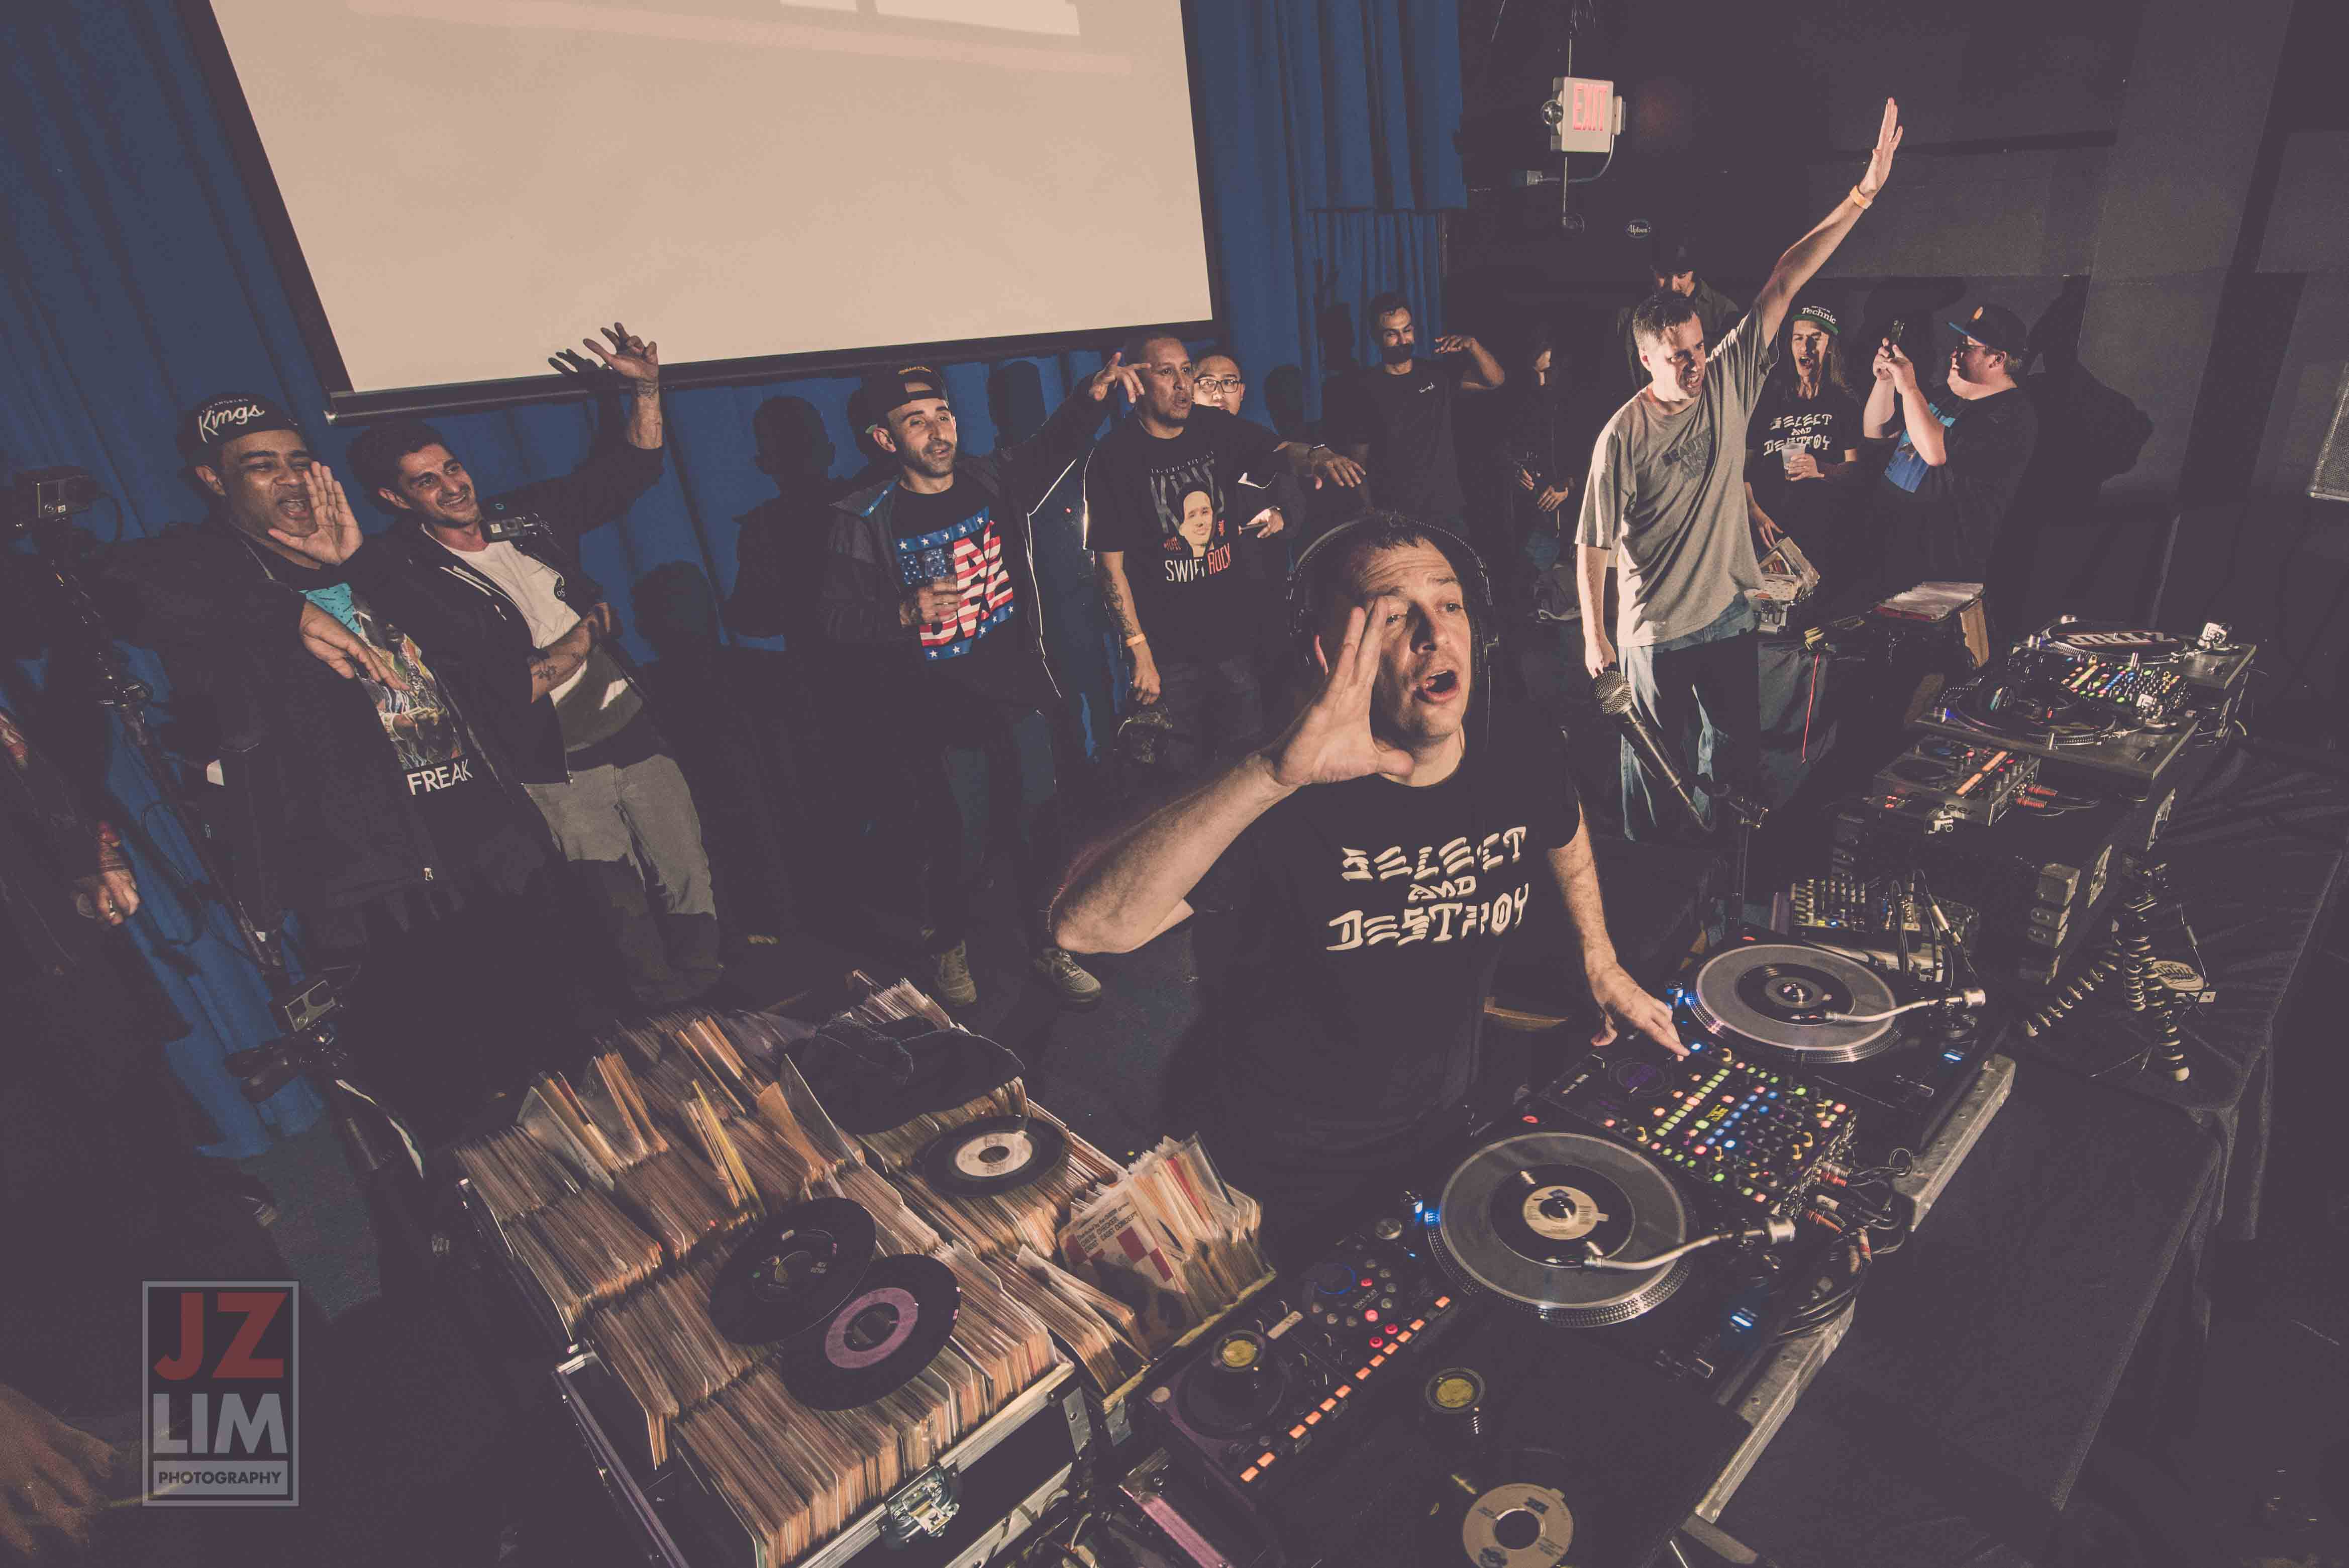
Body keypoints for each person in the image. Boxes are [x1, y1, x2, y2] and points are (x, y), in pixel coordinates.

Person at [1051, 512, 1680, 1252]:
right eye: (1392, 617)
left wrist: (1600, 959)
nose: (1434, 634)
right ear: (1329, 654)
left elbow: (1562, 829)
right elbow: (1086, 927)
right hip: (1284, 1164)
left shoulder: (1516, 743)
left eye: (1449, 605)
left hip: (1443, 1128)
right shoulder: (1280, 792)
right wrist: (1268, 775)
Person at [100, 394, 575, 1130]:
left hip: (490, 852)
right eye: (260, 467)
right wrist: (286, 611)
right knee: (456, 1109)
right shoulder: (210, 574)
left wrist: (360, 566)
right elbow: (114, 588)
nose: (291, 480)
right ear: (213, 481)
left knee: (559, 1066)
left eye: (299, 460)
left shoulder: (377, 556)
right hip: (376, 894)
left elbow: (484, 651)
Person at [349, 324, 723, 1009]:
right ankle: (663, 1018)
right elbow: (500, 688)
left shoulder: (525, 517)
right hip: (555, 758)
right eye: (426, 482)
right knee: (616, 901)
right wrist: (584, 637)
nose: (452, 486)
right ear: (397, 500)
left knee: (686, 872)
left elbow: (630, 473)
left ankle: (710, 996)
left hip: (633, 730)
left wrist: (645, 390)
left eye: (451, 468)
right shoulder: (408, 574)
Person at [1578, 99, 1904, 844]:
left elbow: (1785, 279)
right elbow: (1591, 543)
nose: (1694, 364)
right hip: (1654, 627)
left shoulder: (1726, 377)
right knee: (1656, 767)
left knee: (1736, 758)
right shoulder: (1621, 435)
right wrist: (1595, 639)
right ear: (1646, 359)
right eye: (1677, 357)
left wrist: (1861, 196)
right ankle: (1656, 870)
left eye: (1698, 348)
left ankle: (1725, 862)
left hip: (1726, 613)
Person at [819, 356, 1145, 1008]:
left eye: (942, 414)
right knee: (959, 844)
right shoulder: (864, 516)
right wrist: (902, 612)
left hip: (1014, 692)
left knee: (1039, 828)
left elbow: (1053, 445)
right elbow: (833, 620)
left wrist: (1092, 397)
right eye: (916, 421)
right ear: (884, 439)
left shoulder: (986, 477)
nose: (938, 430)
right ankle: (949, 945)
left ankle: (1046, 944)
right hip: (936, 710)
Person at [1086, 335, 1362, 777]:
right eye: (1166, 372)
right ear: (1136, 381)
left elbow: (1277, 451)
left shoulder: (1212, 427)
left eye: (1186, 370)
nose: (1182, 384)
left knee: (1244, 764)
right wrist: (1139, 652)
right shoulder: (1114, 458)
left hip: (1232, 643)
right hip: (1168, 655)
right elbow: (1109, 567)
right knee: (1180, 777)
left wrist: (1316, 456)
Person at [1866, 300, 2042, 599]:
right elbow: (1878, 432)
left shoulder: (2011, 416)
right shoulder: (1946, 396)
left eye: (1967, 347)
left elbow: (1935, 452)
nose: (1955, 353)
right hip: (1889, 560)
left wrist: (1909, 387)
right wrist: (1885, 381)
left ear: (1997, 359)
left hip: (1938, 579)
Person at [1326, 294, 1505, 535]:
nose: (1403, 340)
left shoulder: (1437, 375)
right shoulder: (1364, 389)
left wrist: (1473, 345)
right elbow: (1358, 463)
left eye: (1407, 330)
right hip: (1394, 514)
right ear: (1376, 337)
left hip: (1446, 509)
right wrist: (1369, 512)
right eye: (1392, 334)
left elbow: (1495, 380)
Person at [1745, 304, 1864, 569]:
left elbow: (1857, 472)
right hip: (1769, 534)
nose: (1805, 347)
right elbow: (1741, 470)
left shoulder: (1844, 403)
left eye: (1815, 339)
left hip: (1821, 535)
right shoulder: (1769, 399)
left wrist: (1821, 469)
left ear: (1830, 347)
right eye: (1798, 338)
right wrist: (1753, 512)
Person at [1613, 236, 1743, 393]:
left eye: (1681, 276)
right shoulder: (1628, 316)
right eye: (1664, 276)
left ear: (1693, 272)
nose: (1673, 286)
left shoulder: (1724, 312)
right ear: (1652, 269)